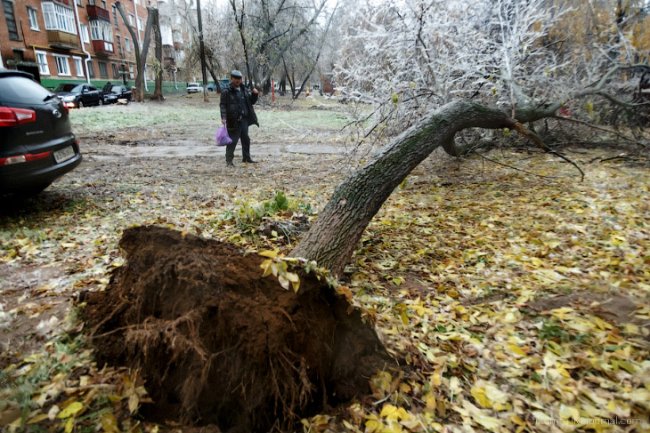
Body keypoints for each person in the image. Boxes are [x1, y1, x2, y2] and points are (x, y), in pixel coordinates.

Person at [219, 70, 259, 166]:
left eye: (239, 79)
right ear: (232, 79)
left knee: (246, 140)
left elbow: (251, 102)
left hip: (244, 120)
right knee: (232, 141)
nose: (238, 80)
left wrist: (255, 94)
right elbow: (222, 105)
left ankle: (246, 158)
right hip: (233, 120)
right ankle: (229, 161)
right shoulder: (226, 91)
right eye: (236, 78)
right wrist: (223, 117)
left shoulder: (244, 89)